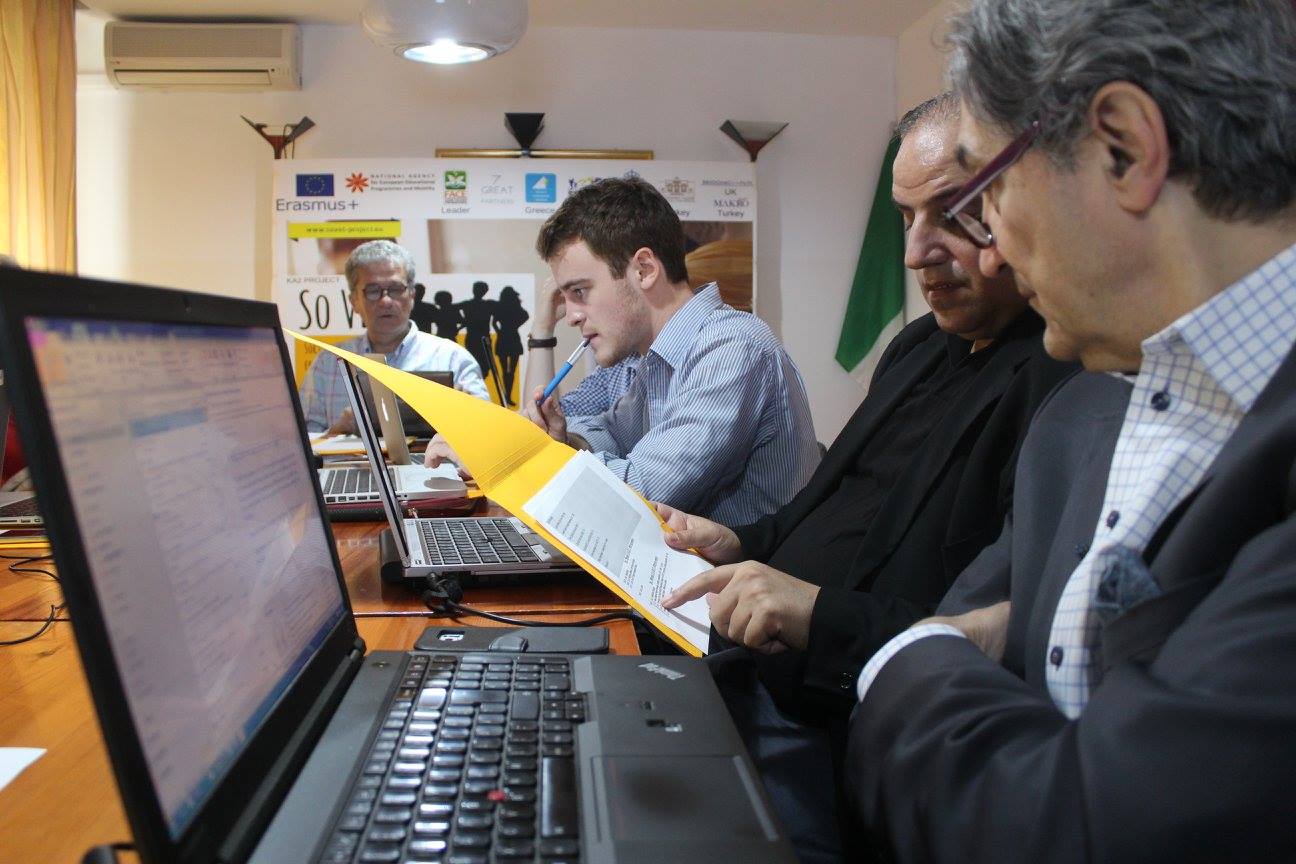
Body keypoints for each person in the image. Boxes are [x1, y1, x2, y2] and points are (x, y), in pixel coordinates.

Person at [846, 2, 1296, 862]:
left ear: (1122, 148)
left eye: (985, 192)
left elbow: (1085, 828)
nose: (990, 251)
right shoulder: (1077, 417)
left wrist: (906, 661)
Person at [655, 94, 1075, 864]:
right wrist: (736, 541)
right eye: (905, 218)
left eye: (951, 213)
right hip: (743, 662)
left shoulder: (1061, 381)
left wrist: (816, 614)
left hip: (835, 723)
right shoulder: (917, 348)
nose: (916, 253)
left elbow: (983, 631)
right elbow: (821, 513)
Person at [429, 176, 820, 525]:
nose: (572, 316)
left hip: (744, 578)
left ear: (644, 270)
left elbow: (639, 494)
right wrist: (558, 440)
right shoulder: (657, 356)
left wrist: (516, 455)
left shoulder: (732, 349)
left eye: (580, 291)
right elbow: (610, 431)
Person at [298, 240, 490, 433]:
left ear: (412, 295)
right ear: (354, 301)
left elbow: (486, 432)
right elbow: (302, 443)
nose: (386, 301)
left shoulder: (452, 360)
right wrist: (337, 432)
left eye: (396, 289)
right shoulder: (329, 363)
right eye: (373, 291)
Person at [522, 277, 640, 419]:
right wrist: (543, 329)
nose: (571, 319)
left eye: (580, 291)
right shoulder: (616, 367)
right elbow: (542, 420)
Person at [490, 286, 528, 407]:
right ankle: (507, 396)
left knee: (505, 371)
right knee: (511, 371)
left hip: (503, 337)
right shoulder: (515, 307)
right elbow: (525, 316)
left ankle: (506, 396)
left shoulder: (500, 307)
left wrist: (499, 331)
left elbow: (494, 322)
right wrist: (515, 326)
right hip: (512, 337)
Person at [458, 280, 496, 383]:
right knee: (476, 363)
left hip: (478, 337)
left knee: (481, 364)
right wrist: (463, 322)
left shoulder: (469, 304)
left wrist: (462, 323)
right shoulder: (487, 304)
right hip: (477, 337)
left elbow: (451, 308)